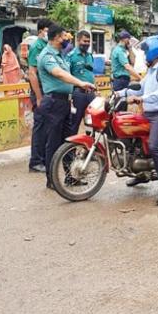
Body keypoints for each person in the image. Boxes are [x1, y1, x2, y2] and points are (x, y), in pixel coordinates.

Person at [116, 35, 158, 206]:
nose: (143, 55)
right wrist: (120, 94)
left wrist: (141, 99)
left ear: (153, 52)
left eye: (145, 52)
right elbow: (139, 87)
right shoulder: (151, 71)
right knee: (128, 134)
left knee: (153, 146)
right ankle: (140, 173)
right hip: (150, 113)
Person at [36, 24, 96, 190]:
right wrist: (80, 83)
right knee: (53, 143)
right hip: (53, 103)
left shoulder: (60, 55)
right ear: (56, 38)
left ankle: (70, 177)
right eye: (64, 36)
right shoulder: (47, 55)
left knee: (68, 142)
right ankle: (52, 180)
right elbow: (59, 74)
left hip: (64, 102)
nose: (66, 39)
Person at [27, 18, 52, 173]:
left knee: (46, 127)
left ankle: (42, 158)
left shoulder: (46, 46)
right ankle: (36, 161)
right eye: (48, 31)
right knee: (40, 127)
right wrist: (38, 96)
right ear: (42, 30)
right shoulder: (37, 47)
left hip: (47, 91)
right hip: (40, 91)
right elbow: (32, 73)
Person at [67, 30, 97, 136]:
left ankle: (89, 149)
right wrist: (70, 97)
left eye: (88, 41)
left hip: (91, 95)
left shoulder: (90, 56)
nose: (87, 43)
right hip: (78, 95)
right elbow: (67, 77)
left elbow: (91, 74)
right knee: (74, 123)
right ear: (78, 40)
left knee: (92, 122)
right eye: (84, 41)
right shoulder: (71, 56)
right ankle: (70, 151)